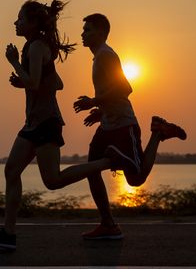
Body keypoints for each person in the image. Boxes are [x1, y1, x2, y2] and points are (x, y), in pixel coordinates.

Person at [0, 0, 115, 250]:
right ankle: (8, 234)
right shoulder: (33, 46)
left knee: (53, 181)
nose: (15, 22)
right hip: (32, 123)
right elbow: (56, 83)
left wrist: (14, 64)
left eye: (20, 19)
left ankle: (109, 162)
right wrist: (26, 79)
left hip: (46, 123)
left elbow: (36, 83)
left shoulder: (37, 47)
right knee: (11, 171)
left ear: (32, 23)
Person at [73, 13, 187, 240]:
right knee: (91, 170)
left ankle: (158, 133)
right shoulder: (98, 58)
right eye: (83, 30)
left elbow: (125, 88)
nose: (83, 34)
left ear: (102, 33)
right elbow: (111, 92)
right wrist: (101, 112)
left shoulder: (106, 55)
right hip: (107, 125)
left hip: (124, 125)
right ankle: (108, 224)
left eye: (88, 30)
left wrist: (93, 102)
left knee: (136, 180)